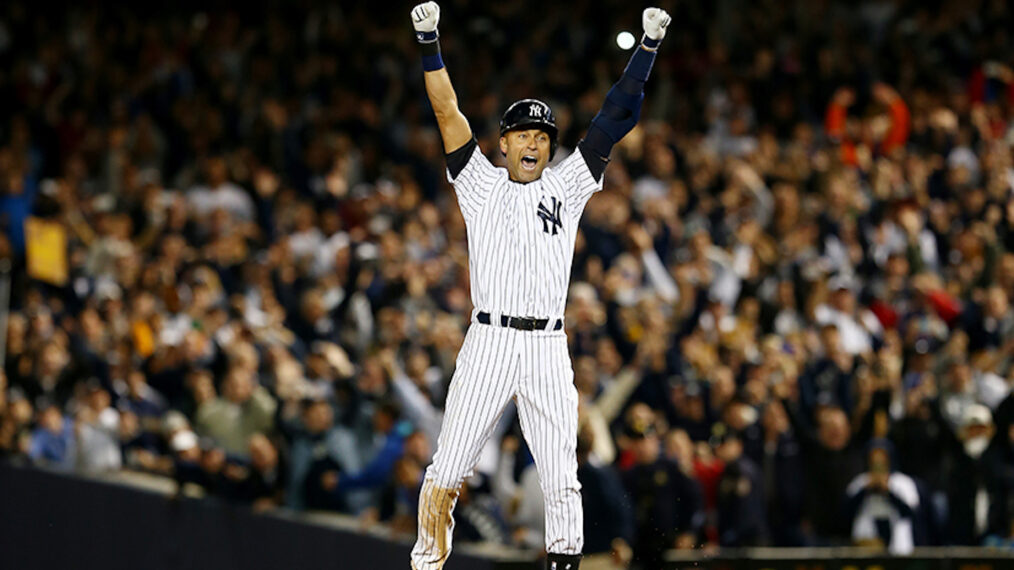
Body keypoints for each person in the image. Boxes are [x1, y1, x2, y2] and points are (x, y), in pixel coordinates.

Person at [407, 3, 671, 568]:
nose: (532, 142)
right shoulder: (478, 184)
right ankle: (426, 564)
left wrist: (645, 50)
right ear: (502, 143)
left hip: (549, 346)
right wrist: (429, 42)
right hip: (489, 342)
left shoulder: (569, 185)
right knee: (448, 469)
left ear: (551, 148)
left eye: (542, 136)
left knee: (562, 479)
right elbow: (447, 110)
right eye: (521, 133)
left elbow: (614, 116)